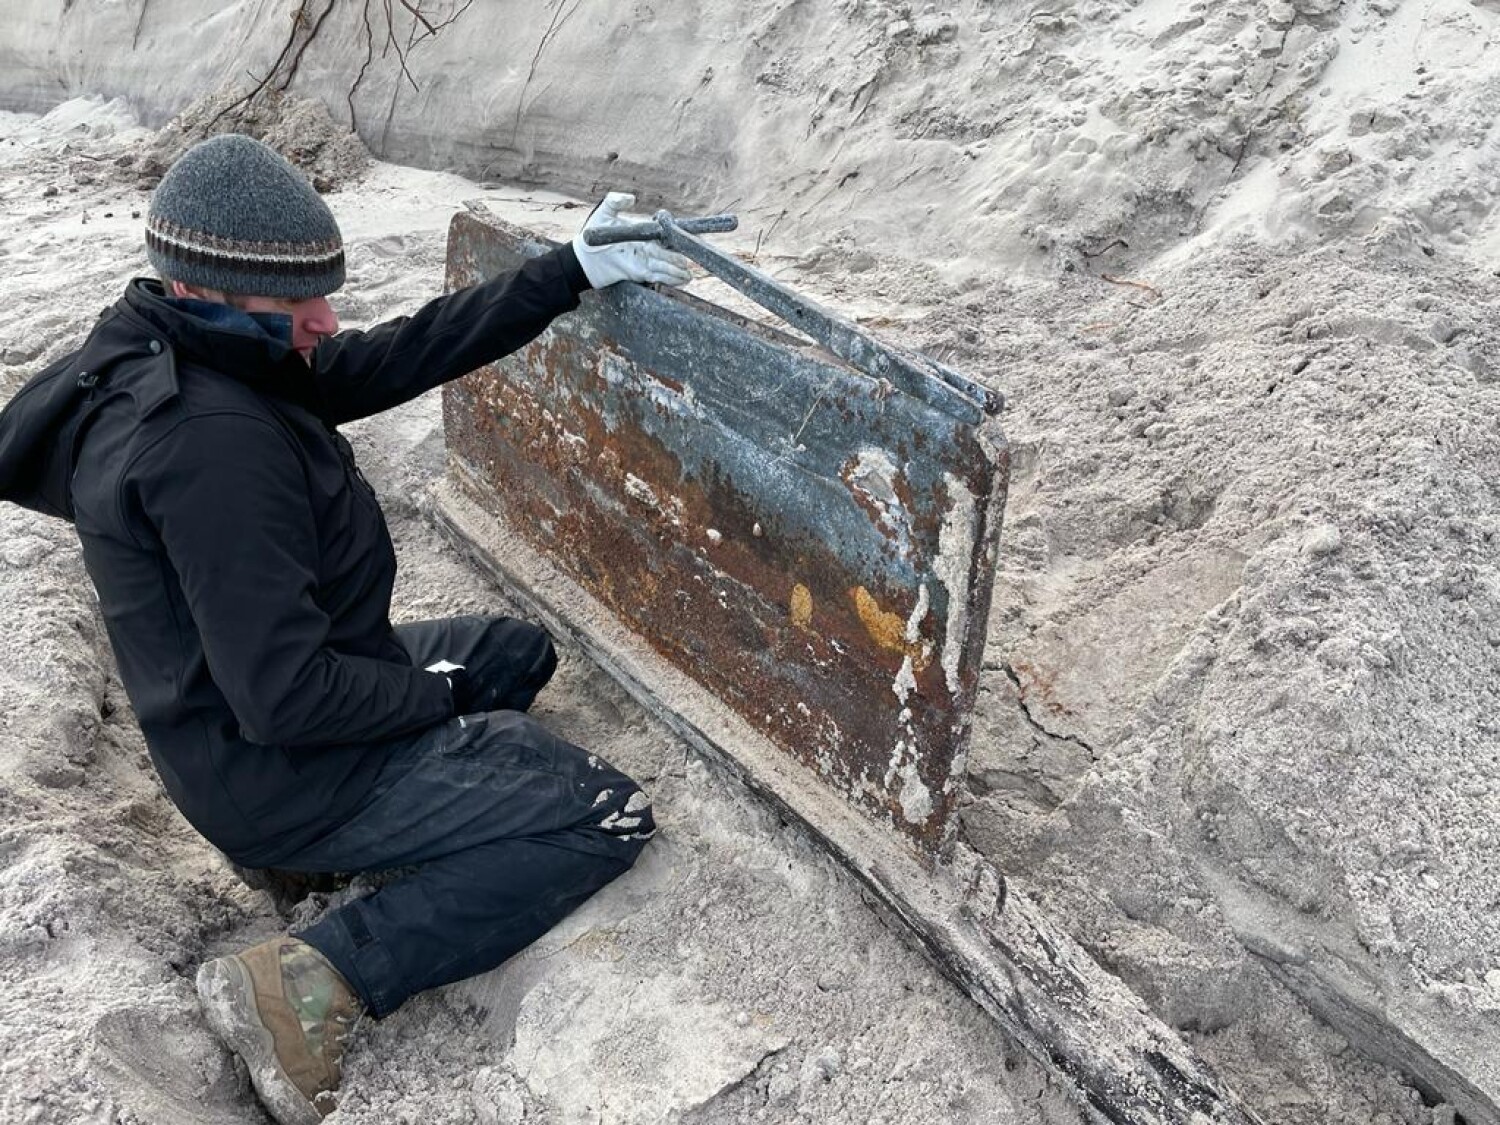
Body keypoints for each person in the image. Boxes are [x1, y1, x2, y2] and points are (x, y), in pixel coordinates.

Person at [0, 134, 693, 1125]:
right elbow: (285, 698)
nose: (326, 321)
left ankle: (330, 858)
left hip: (232, 717)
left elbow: (394, 355)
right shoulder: (212, 447)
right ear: (210, 293)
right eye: (299, 309)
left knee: (514, 649)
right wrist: (436, 698)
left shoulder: (186, 346)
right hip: (279, 761)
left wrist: (564, 272)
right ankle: (313, 980)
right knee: (599, 812)